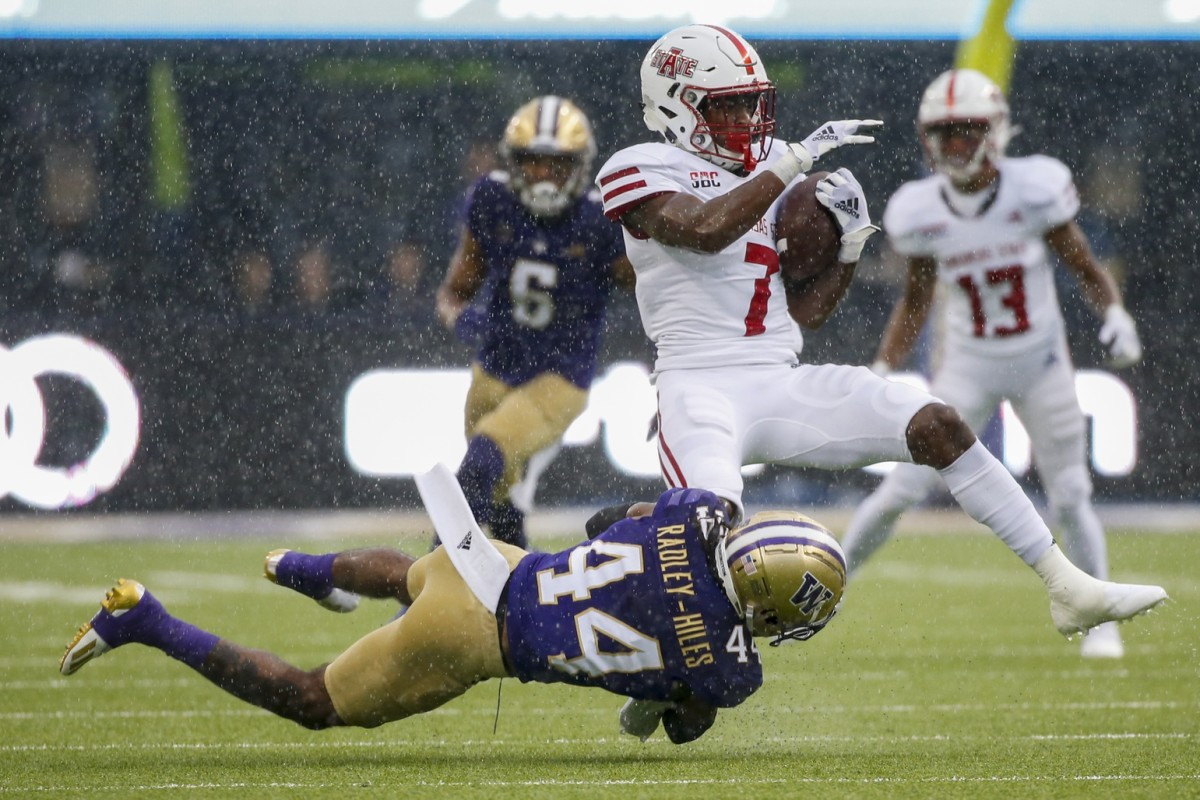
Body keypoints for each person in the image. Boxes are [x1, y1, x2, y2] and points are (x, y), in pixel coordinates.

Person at [593, 24, 1165, 642]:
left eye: (750, 101)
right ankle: (633, 563)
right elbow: (703, 229)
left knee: (936, 424)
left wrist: (849, 248)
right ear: (676, 104)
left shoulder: (773, 163)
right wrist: (793, 163)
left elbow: (807, 314)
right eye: (726, 104)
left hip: (779, 380)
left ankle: (1067, 586)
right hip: (698, 388)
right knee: (706, 533)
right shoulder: (640, 165)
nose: (746, 118)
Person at [59, 483, 846, 745]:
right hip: (476, 640)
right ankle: (145, 619)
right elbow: (680, 727)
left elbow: (607, 520)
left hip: (499, 564)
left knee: (410, 575)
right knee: (311, 701)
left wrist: (652, 562)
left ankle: (298, 567)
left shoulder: (700, 515)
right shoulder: (729, 669)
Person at [838, 69, 1145, 659]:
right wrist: (881, 366)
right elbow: (917, 299)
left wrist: (1115, 313)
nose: (955, 144)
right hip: (968, 367)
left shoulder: (1035, 189)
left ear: (996, 130)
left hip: (1040, 360)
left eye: (966, 130)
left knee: (1070, 495)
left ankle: (1101, 621)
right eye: (944, 132)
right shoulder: (919, 209)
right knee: (902, 487)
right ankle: (837, 578)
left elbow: (1084, 265)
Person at [435, 95, 635, 549]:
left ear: (580, 167)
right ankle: (520, 595)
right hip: (494, 364)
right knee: (498, 490)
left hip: (559, 377)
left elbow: (653, 292)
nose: (544, 177)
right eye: (533, 164)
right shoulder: (491, 200)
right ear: (513, 163)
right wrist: (459, 318)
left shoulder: (600, 220)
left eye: (557, 165)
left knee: (482, 462)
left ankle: (424, 586)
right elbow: (453, 291)